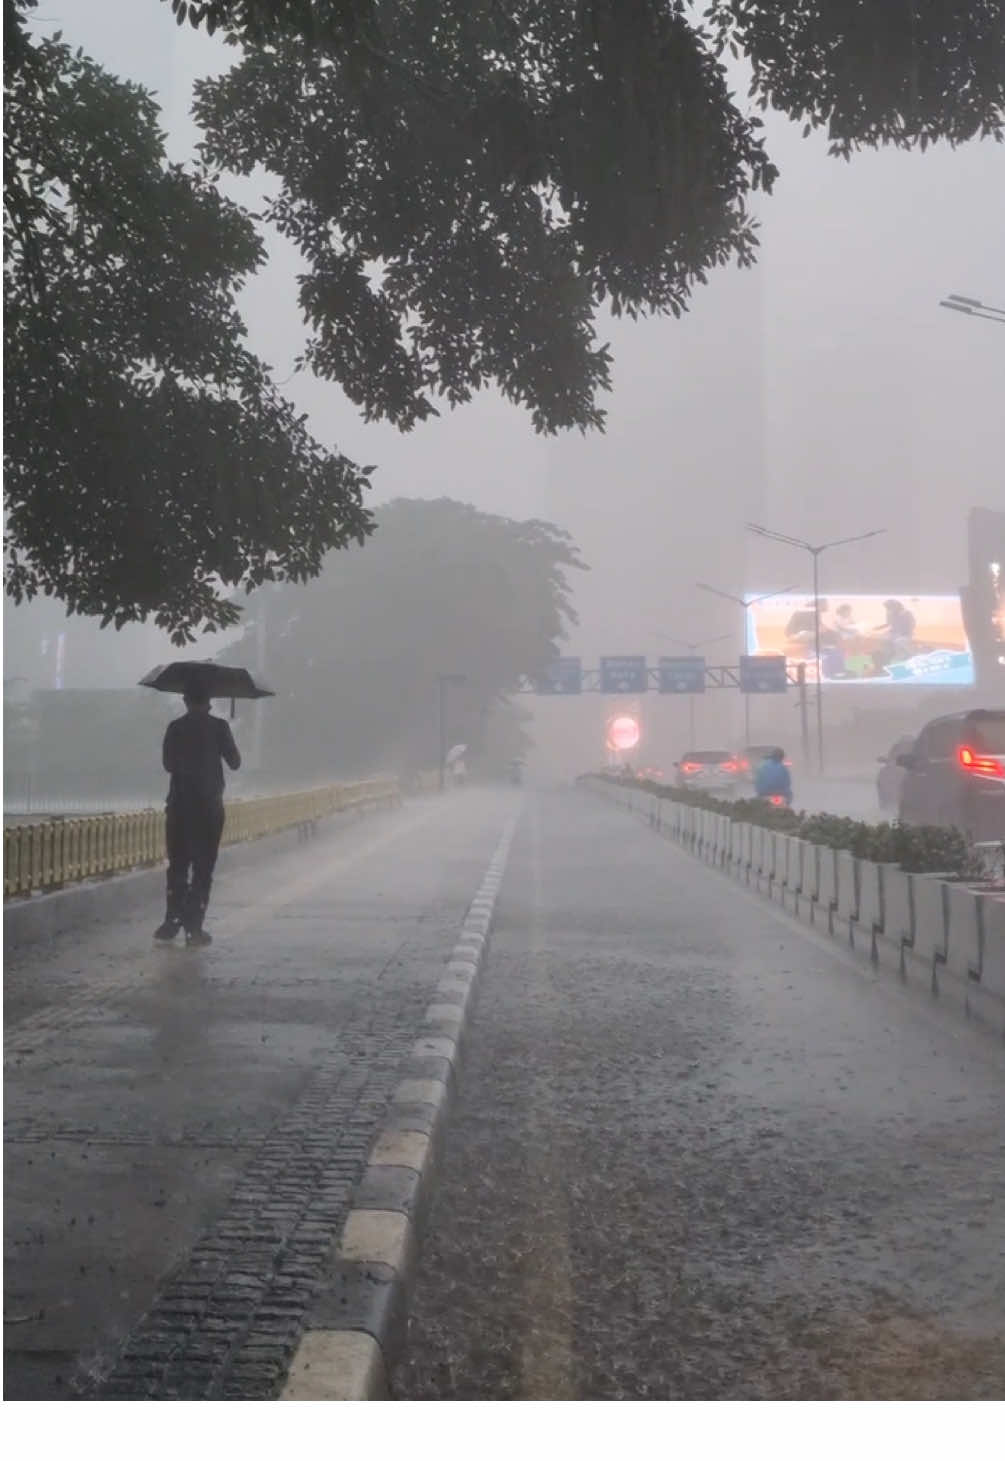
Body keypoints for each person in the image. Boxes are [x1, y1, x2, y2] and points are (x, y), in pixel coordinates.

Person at [154, 679, 241, 946]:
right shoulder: (219, 727)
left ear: (185, 701)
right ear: (209, 702)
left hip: (179, 805)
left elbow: (168, 764)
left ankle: (172, 920)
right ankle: (194, 927)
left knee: (178, 865)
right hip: (209, 808)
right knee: (203, 869)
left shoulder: (176, 727)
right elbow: (235, 763)